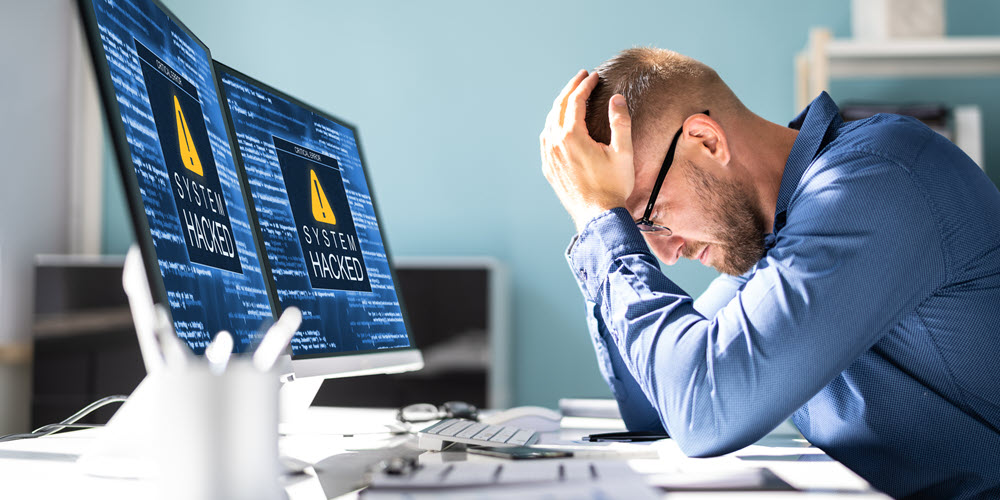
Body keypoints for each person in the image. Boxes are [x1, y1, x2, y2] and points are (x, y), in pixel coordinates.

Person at [539, 47, 1000, 499]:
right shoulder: (776, 233)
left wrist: (602, 225)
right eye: (638, 231)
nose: (667, 254)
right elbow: (656, 409)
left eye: (652, 215)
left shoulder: (872, 180)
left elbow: (703, 411)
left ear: (706, 141)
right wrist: (600, 225)